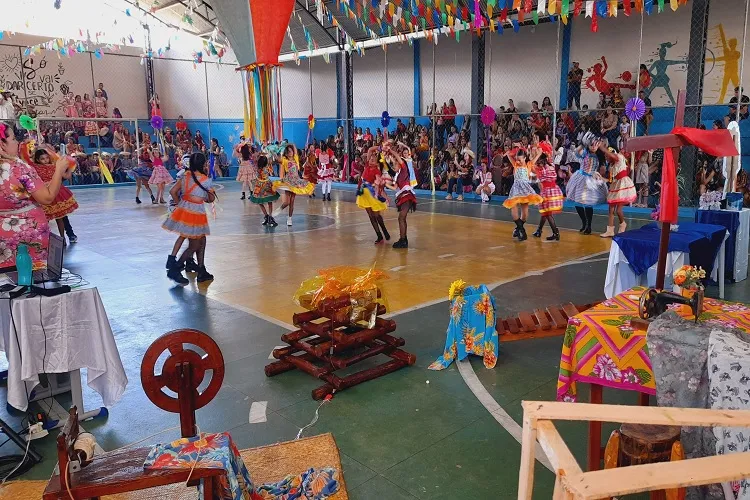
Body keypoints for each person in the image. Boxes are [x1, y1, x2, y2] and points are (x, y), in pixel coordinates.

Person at [0, 120, 69, 269]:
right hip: (26, 237)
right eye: (13, 139)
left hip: (2, 238)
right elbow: (47, 197)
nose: (17, 143)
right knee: (31, 279)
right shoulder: (18, 168)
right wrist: (59, 170)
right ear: (2, 144)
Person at [163, 152, 215, 285]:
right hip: (196, 214)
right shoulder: (205, 180)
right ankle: (175, 269)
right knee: (195, 244)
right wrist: (211, 193)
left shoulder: (185, 176)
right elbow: (210, 199)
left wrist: (180, 204)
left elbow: (173, 192)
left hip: (185, 211)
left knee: (201, 240)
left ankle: (201, 270)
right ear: (203, 164)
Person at [28, 146, 79, 244]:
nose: (45, 160)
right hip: (43, 194)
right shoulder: (34, 167)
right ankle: (44, 239)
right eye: (42, 159)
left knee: (60, 217)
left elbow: (67, 176)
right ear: (38, 159)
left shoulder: (54, 166)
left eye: (47, 158)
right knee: (44, 219)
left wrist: (70, 167)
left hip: (56, 193)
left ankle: (63, 237)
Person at [567, 135, 608, 234]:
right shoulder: (585, 153)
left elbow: (602, 169)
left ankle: (588, 225)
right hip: (581, 178)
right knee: (578, 202)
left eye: (596, 145)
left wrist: (598, 176)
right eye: (591, 145)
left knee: (588, 203)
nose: (593, 147)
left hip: (591, 180)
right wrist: (582, 143)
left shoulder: (599, 155)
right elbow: (576, 152)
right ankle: (584, 222)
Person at [503, 148, 543, 241]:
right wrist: (509, 153)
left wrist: (539, 153)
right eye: (517, 159)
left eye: (520, 159)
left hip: (525, 189)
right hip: (516, 189)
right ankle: (522, 231)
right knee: (514, 208)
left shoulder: (529, 164)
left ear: (525, 158)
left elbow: (536, 157)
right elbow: (509, 155)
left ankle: (518, 229)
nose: (518, 161)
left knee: (525, 214)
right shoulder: (515, 164)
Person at [272, 144, 314, 226]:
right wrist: (273, 153)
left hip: (296, 181)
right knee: (287, 202)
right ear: (286, 153)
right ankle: (279, 209)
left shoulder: (296, 159)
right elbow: (278, 160)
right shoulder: (284, 160)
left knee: (292, 202)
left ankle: (289, 218)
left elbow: (294, 148)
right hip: (288, 182)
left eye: (291, 151)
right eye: (288, 152)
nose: (290, 153)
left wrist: (289, 145)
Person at [599, 146, 637, 238]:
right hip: (616, 185)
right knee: (611, 209)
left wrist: (602, 147)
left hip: (623, 185)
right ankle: (610, 230)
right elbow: (612, 179)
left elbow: (613, 156)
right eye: (605, 156)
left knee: (618, 210)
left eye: (607, 156)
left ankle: (622, 224)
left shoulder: (618, 157)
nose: (606, 158)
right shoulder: (612, 165)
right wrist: (602, 178)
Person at [356, 146, 390, 244]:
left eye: (373, 160)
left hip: (371, 193)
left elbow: (378, 183)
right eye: (370, 159)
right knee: (371, 216)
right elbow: (370, 149)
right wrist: (379, 147)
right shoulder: (366, 165)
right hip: (363, 193)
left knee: (377, 215)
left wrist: (380, 194)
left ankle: (384, 230)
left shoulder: (376, 171)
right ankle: (379, 236)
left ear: (376, 163)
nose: (371, 160)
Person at [531, 142, 563, 241]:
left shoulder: (542, 170)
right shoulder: (552, 166)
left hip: (547, 192)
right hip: (554, 190)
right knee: (545, 213)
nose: (538, 164)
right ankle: (539, 231)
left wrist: (536, 155)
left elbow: (531, 166)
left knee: (548, 214)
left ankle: (556, 233)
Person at [389, 143, 417, 249]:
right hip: (404, 195)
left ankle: (403, 240)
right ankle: (404, 239)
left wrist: (390, 150)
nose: (394, 166)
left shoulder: (404, 166)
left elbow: (396, 157)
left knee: (401, 218)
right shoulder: (399, 173)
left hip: (407, 195)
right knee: (402, 218)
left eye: (396, 164)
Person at [248, 153, 279, 227]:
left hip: (259, 186)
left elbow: (255, 159)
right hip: (267, 185)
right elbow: (272, 162)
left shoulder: (256, 167)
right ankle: (270, 217)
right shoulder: (267, 167)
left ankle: (267, 216)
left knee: (260, 202)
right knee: (269, 201)